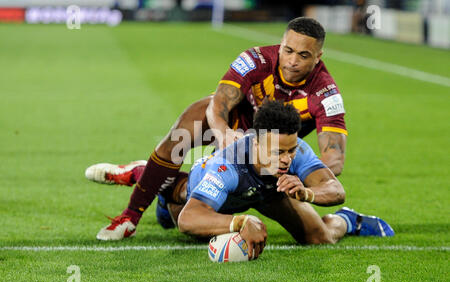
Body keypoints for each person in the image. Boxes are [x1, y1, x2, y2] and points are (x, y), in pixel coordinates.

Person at [86, 17, 349, 240]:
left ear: (318, 57)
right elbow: (219, 103)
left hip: (273, 157)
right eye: (288, 50)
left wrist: (303, 180)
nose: (291, 61)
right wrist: (224, 134)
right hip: (235, 130)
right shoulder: (255, 59)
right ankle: (130, 217)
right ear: (281, 45)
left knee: (318, 238)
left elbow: (334, 158)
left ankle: (348, 221)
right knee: (190, 124)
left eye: (303, 55)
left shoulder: (326, 93)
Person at [89, 102, 393, 254]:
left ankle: (349, 221)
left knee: (318, 238)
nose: (287, 159)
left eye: (290, 150)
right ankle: (152, 179)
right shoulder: (226, 166)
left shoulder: (294, 148)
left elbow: (335, 188)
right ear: (255, 142)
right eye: (279, 152)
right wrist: (239, 222)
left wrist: (307, 194)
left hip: (265, 193)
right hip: (209, 195)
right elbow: (192, 218)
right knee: (183, 219)